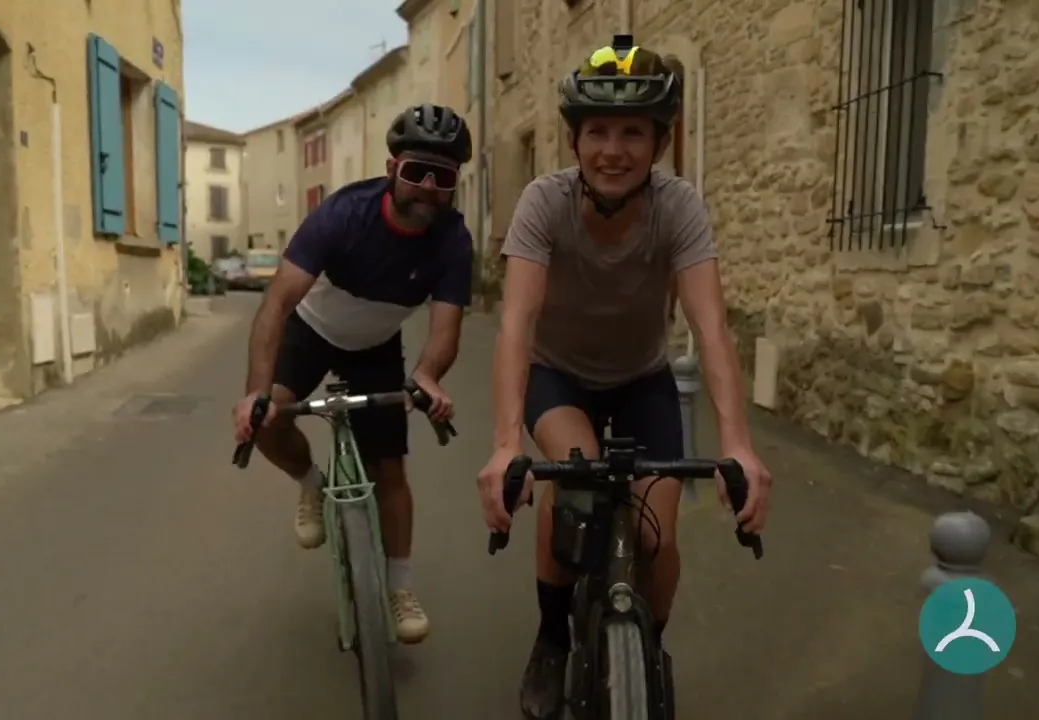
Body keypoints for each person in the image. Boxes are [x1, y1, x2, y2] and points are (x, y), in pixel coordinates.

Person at [475, 37, 774, 718]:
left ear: (659, 143)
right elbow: (517, 324)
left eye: (633, 133)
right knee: (574, 489)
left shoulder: (679, 207)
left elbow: (711, 328)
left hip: (642, 380)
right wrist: (505, 444)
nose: (614, 150)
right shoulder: (543, 202)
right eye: (599, 132)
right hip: (559, 376)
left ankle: (643, 650)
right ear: (575, 140)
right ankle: (552, 641)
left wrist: (739, 444)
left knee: (657, 536)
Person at [233, 104, 474, 645]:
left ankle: (399, 588)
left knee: (389, 471)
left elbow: (446, 329)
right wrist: (255, 392)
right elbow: (274, 307)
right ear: (391, 169)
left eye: (443, 178)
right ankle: (311, 485)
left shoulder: (453, 240)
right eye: (416, 171)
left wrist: (428, 376)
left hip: (375, 346)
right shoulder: (343, 214)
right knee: (267, 418)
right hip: (311, 328)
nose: (428, 187)